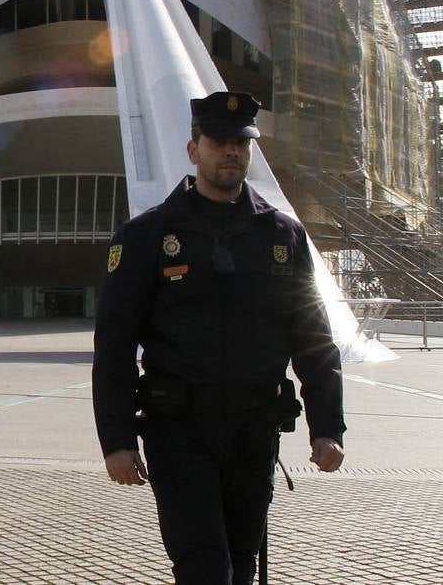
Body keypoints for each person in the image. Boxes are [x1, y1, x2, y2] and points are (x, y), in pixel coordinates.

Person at [92, 91, 346, 585]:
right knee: (205, 567)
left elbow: (313, 339)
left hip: (253, 432)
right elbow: (116, 346)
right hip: (179, 431)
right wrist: (117, 440)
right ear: (194, 150)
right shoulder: (147, 236)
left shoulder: (282, 237)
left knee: (241, 567)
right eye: (218, 141)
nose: (231, 151)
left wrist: (327, 427)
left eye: (241, 143)